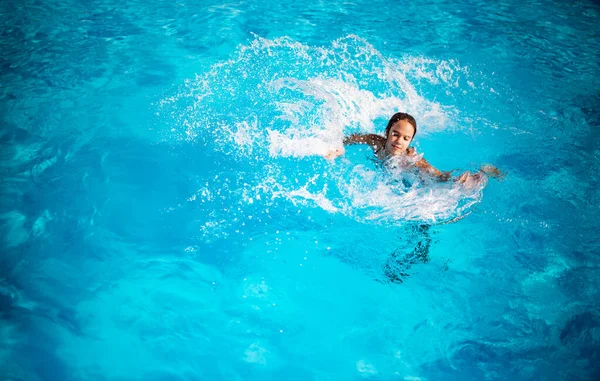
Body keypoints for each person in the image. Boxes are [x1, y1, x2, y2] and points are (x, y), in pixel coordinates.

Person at [325, 112, 503, 184]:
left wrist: (452, 179)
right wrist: (338, 147)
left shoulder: (411, 159)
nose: (399, 141)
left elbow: (436, 173)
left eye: (405, 138)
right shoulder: (376, 141)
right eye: (395, 134)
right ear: (387, 131)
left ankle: (483, 172)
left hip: (411, 176)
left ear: (410, 141)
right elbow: (352, 138)